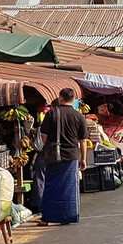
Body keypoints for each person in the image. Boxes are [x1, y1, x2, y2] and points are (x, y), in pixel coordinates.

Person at [37, 88, 90, 226]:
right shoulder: (79, 116)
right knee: (69, 187)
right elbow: (83, 140)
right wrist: (83, 159)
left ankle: (46, 218)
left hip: (54, 155)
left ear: (60, 98)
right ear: (73, 99)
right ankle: (67, 216)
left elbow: (43, 137)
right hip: (72, 156)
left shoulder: (52, 114)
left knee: (51, 186)